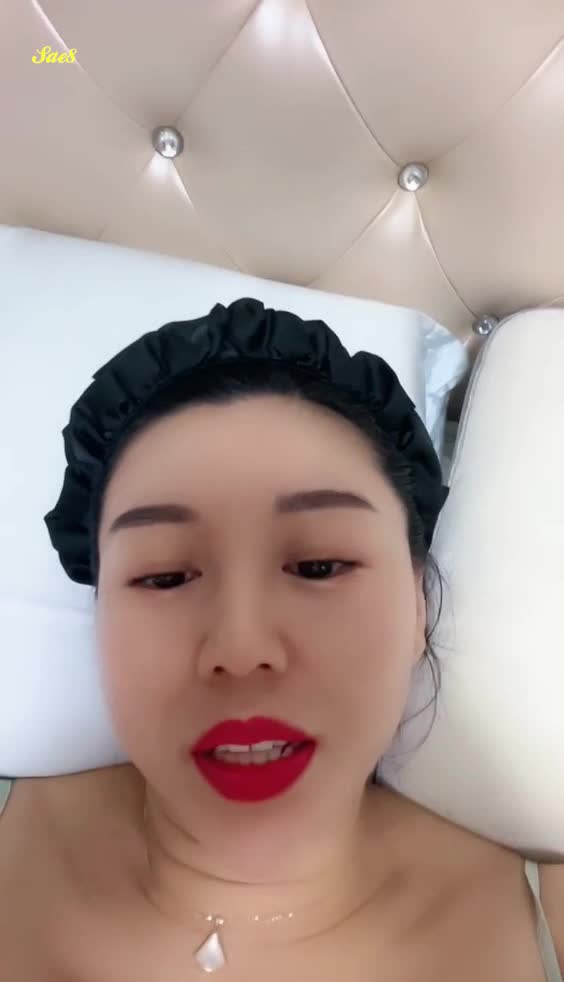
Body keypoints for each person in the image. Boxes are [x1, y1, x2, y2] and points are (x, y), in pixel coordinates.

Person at [0, 298, 561, 981]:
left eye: (319, 566)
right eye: (164, 576)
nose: (240, 650)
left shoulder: (545, 918)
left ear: (418, 605)